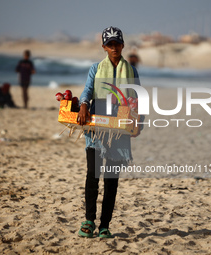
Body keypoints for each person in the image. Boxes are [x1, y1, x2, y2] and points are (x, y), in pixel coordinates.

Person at [77, 26, 141, 238]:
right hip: (97, 128)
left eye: (117, 43)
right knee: (92, 175)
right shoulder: (96, 69)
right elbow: (87, 90)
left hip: (120, 129)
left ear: (123, 45)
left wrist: (139, 123)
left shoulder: (131, 71)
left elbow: (139, 99)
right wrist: (84, 104)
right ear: (104, 47)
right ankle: (88, 221)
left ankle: (104, 225)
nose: (114, 47)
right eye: (110, 44)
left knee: (111, 179)